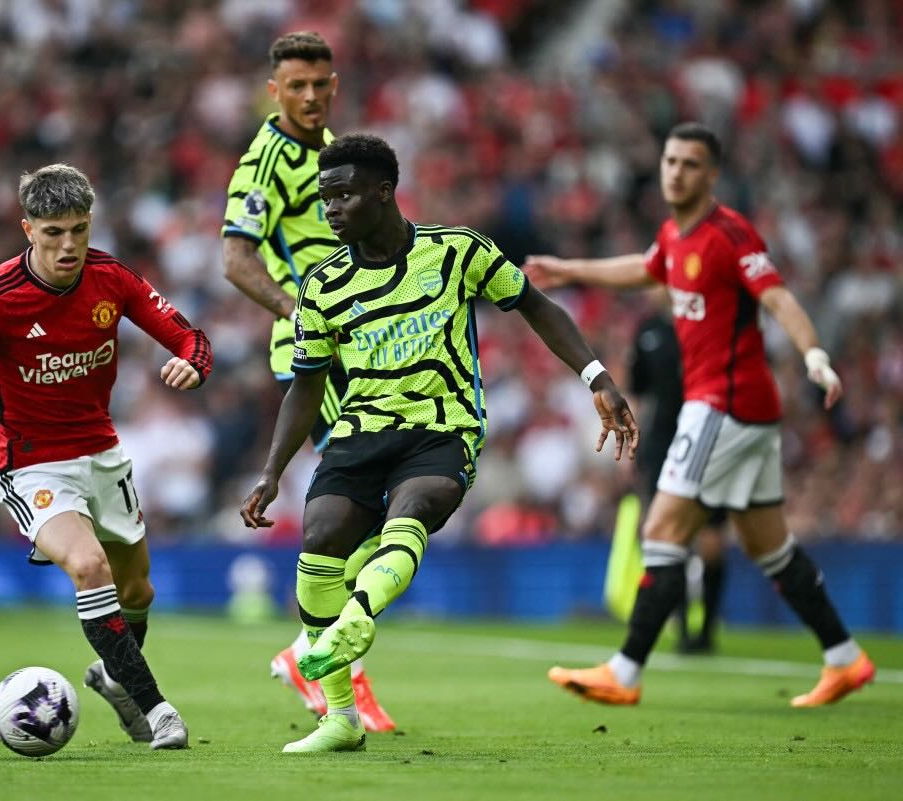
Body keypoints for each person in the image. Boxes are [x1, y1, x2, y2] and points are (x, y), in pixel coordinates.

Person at [240, 133, 639, 752]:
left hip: (443, 429)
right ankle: (341, 719)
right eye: (325, 198)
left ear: (384, 192)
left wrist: (597, 377)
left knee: (415, 509)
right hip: (361, 433)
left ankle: (359, 614)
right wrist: (271, 471)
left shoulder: (457, 251)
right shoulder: (322, 286)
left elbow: (536, 306)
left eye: (344, 196)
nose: (331, 210)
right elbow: (306, 386)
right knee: (318, 539)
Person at [526, 121, 876, 707]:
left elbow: (777, 295)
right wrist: (569, 270)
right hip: (743, 411)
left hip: (724, 405)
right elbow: (645, 267)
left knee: (662, 530)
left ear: (711, 174)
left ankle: (625, 671)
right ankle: (845, 659)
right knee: (769, 545)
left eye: (690, 164)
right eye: (670, 161)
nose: (676, 172)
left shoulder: (730, 234)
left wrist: (814, 354)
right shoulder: (674, 234)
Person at [0, 163, 212, 749]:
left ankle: (116, 679)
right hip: (31, 462)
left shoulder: (111, 279)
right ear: (28, 230)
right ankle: (157, 709)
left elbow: (189, 336)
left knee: (137, 593)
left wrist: (193, 362)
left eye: (79, 230)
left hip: (102, 453)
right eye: (54, 232)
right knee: (90, 567)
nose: (69, 246)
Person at [221, 31, 394, 732]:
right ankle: (328, 664)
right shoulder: (264, 160)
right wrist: (300, 312)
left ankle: (310, 651)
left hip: (362, 344)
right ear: (274, 91)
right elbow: (235, 259)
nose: (312, 96)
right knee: (358, 504)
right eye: (297, 86)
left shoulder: (332, 151)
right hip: (315, 351)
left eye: (321, 84)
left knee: (374, 507)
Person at [628, 302, 727, 654]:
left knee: (711, 542)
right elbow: (638, 391)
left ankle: (708, 630)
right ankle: (683, 627)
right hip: (662, 443)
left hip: (709, 437)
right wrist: (632, 439)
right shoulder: (649, 330)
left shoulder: (712, 320)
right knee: (672, 537)